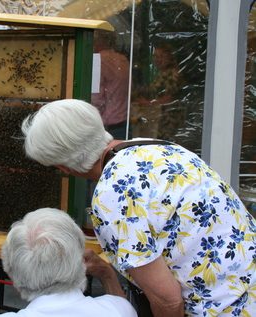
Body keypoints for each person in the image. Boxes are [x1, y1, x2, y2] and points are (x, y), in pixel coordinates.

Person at [21, 99, 256, 316]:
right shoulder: (159, 148)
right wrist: (105, 271)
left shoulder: (112, 195)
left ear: (64, 167)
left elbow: (169, 301)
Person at [0, 208, 137, 317]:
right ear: (81, 261)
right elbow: (121, 306)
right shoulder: (118, 311)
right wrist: (108, 274)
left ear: (14, 275)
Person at [92, 30, 130, 140]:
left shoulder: (98, 59)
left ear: (100, 41)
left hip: (105, 124)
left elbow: (96, 96)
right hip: (123, 121)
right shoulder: (123, 59)